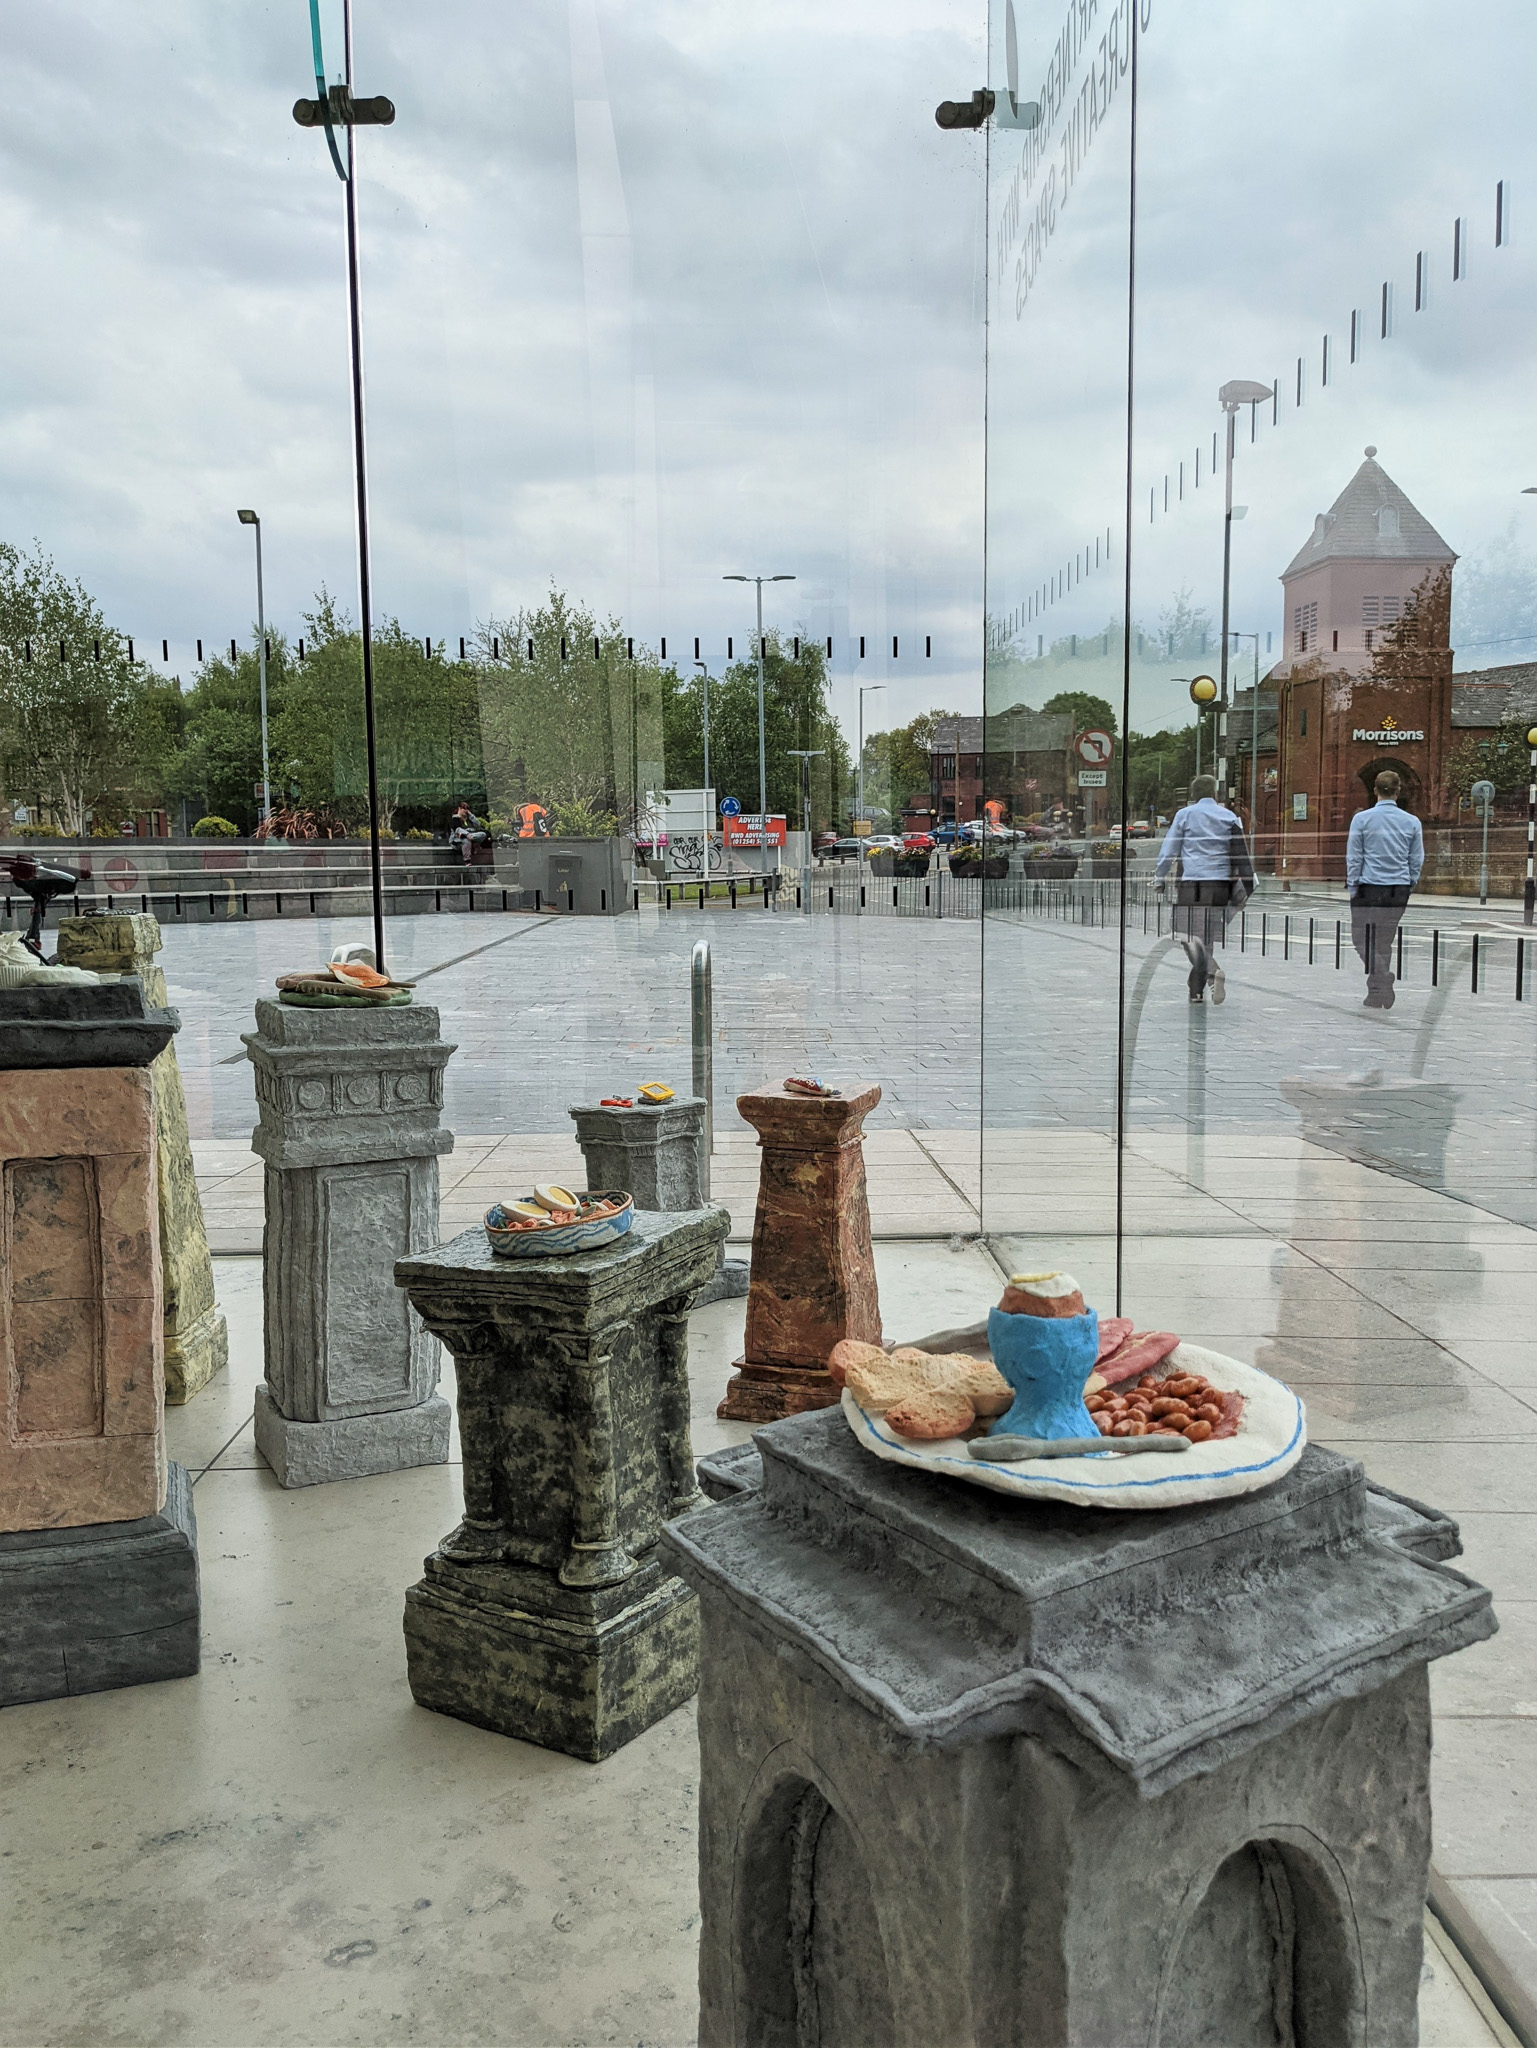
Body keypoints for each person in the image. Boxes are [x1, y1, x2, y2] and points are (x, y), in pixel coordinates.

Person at [1155, 774, 1254, 1004]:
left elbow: (1169, 850)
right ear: (1215, 793)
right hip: (1220, 885)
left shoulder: (1185, 815)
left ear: (1193, 794)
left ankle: (1212, 973)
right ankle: (1196, 991)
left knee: (1187, 936)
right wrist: (1245, 887)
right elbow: (1241, 852)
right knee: (1205, 940)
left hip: (1194, 884)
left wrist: (1159, 877)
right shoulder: (1229, 817)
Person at [1346, 769, 1422, 1009]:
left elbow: (1354, 856)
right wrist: (1410, 882)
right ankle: (1376, 993)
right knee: (1383, 941)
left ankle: (1382, 980)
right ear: (1398, 791)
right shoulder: (1412, 822)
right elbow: (1416, 858)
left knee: (1361, 938)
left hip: (1369, 886)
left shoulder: (1362, 819)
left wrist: (1353, 885)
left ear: (1375, 790)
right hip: (1398, 888)